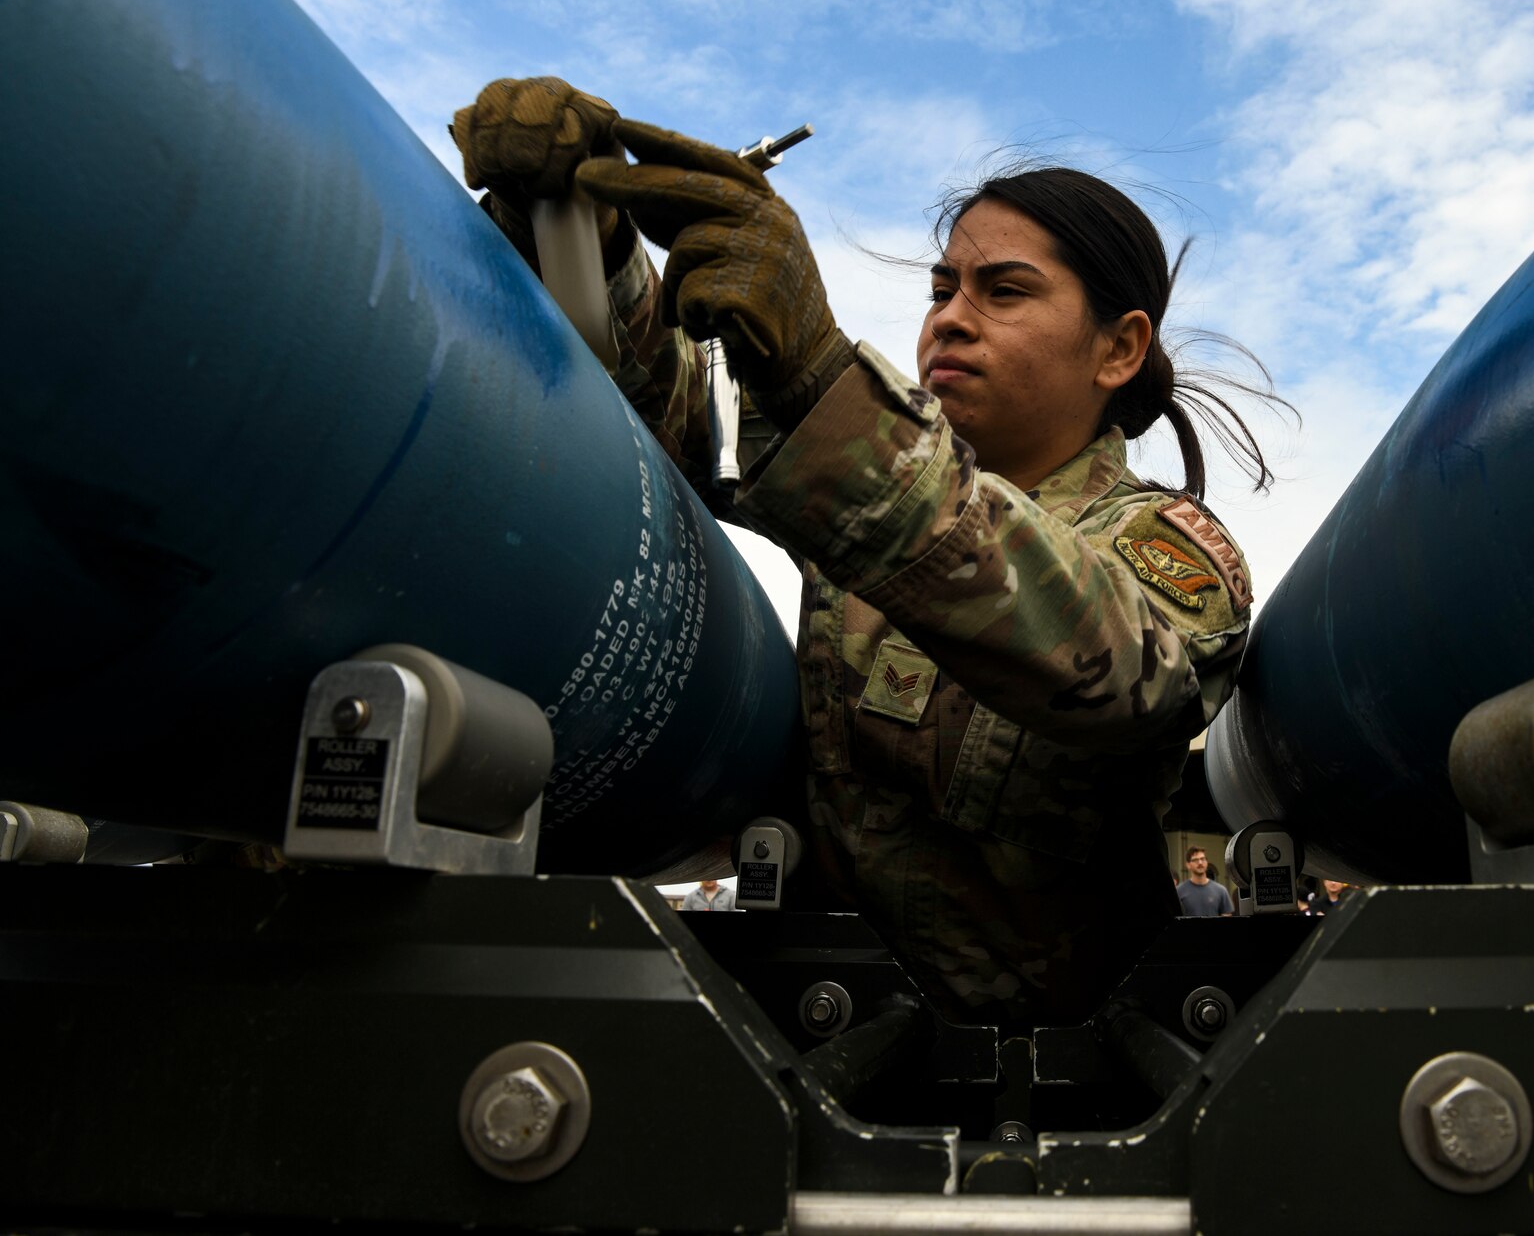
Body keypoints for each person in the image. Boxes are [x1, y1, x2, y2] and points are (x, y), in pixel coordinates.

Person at [450, 78, 1281, 1025]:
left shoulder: (1169, 550)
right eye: (942, 289)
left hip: (1074, 1088)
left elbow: (1122, 669)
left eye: (1003, 290)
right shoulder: (858, 472)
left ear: (1119, 348)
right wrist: (584, 230)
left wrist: (815, 376)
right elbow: (677, 422)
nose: (950, 317)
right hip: (810, 1043)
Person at [1176, 846, 1234, 917]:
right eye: (1195, 860)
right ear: (1188, 865)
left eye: (1202, 859)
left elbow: (1227, 919)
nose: (1200, 863)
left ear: (1207, 862)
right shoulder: (1179, 891)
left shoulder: (1221, 891)